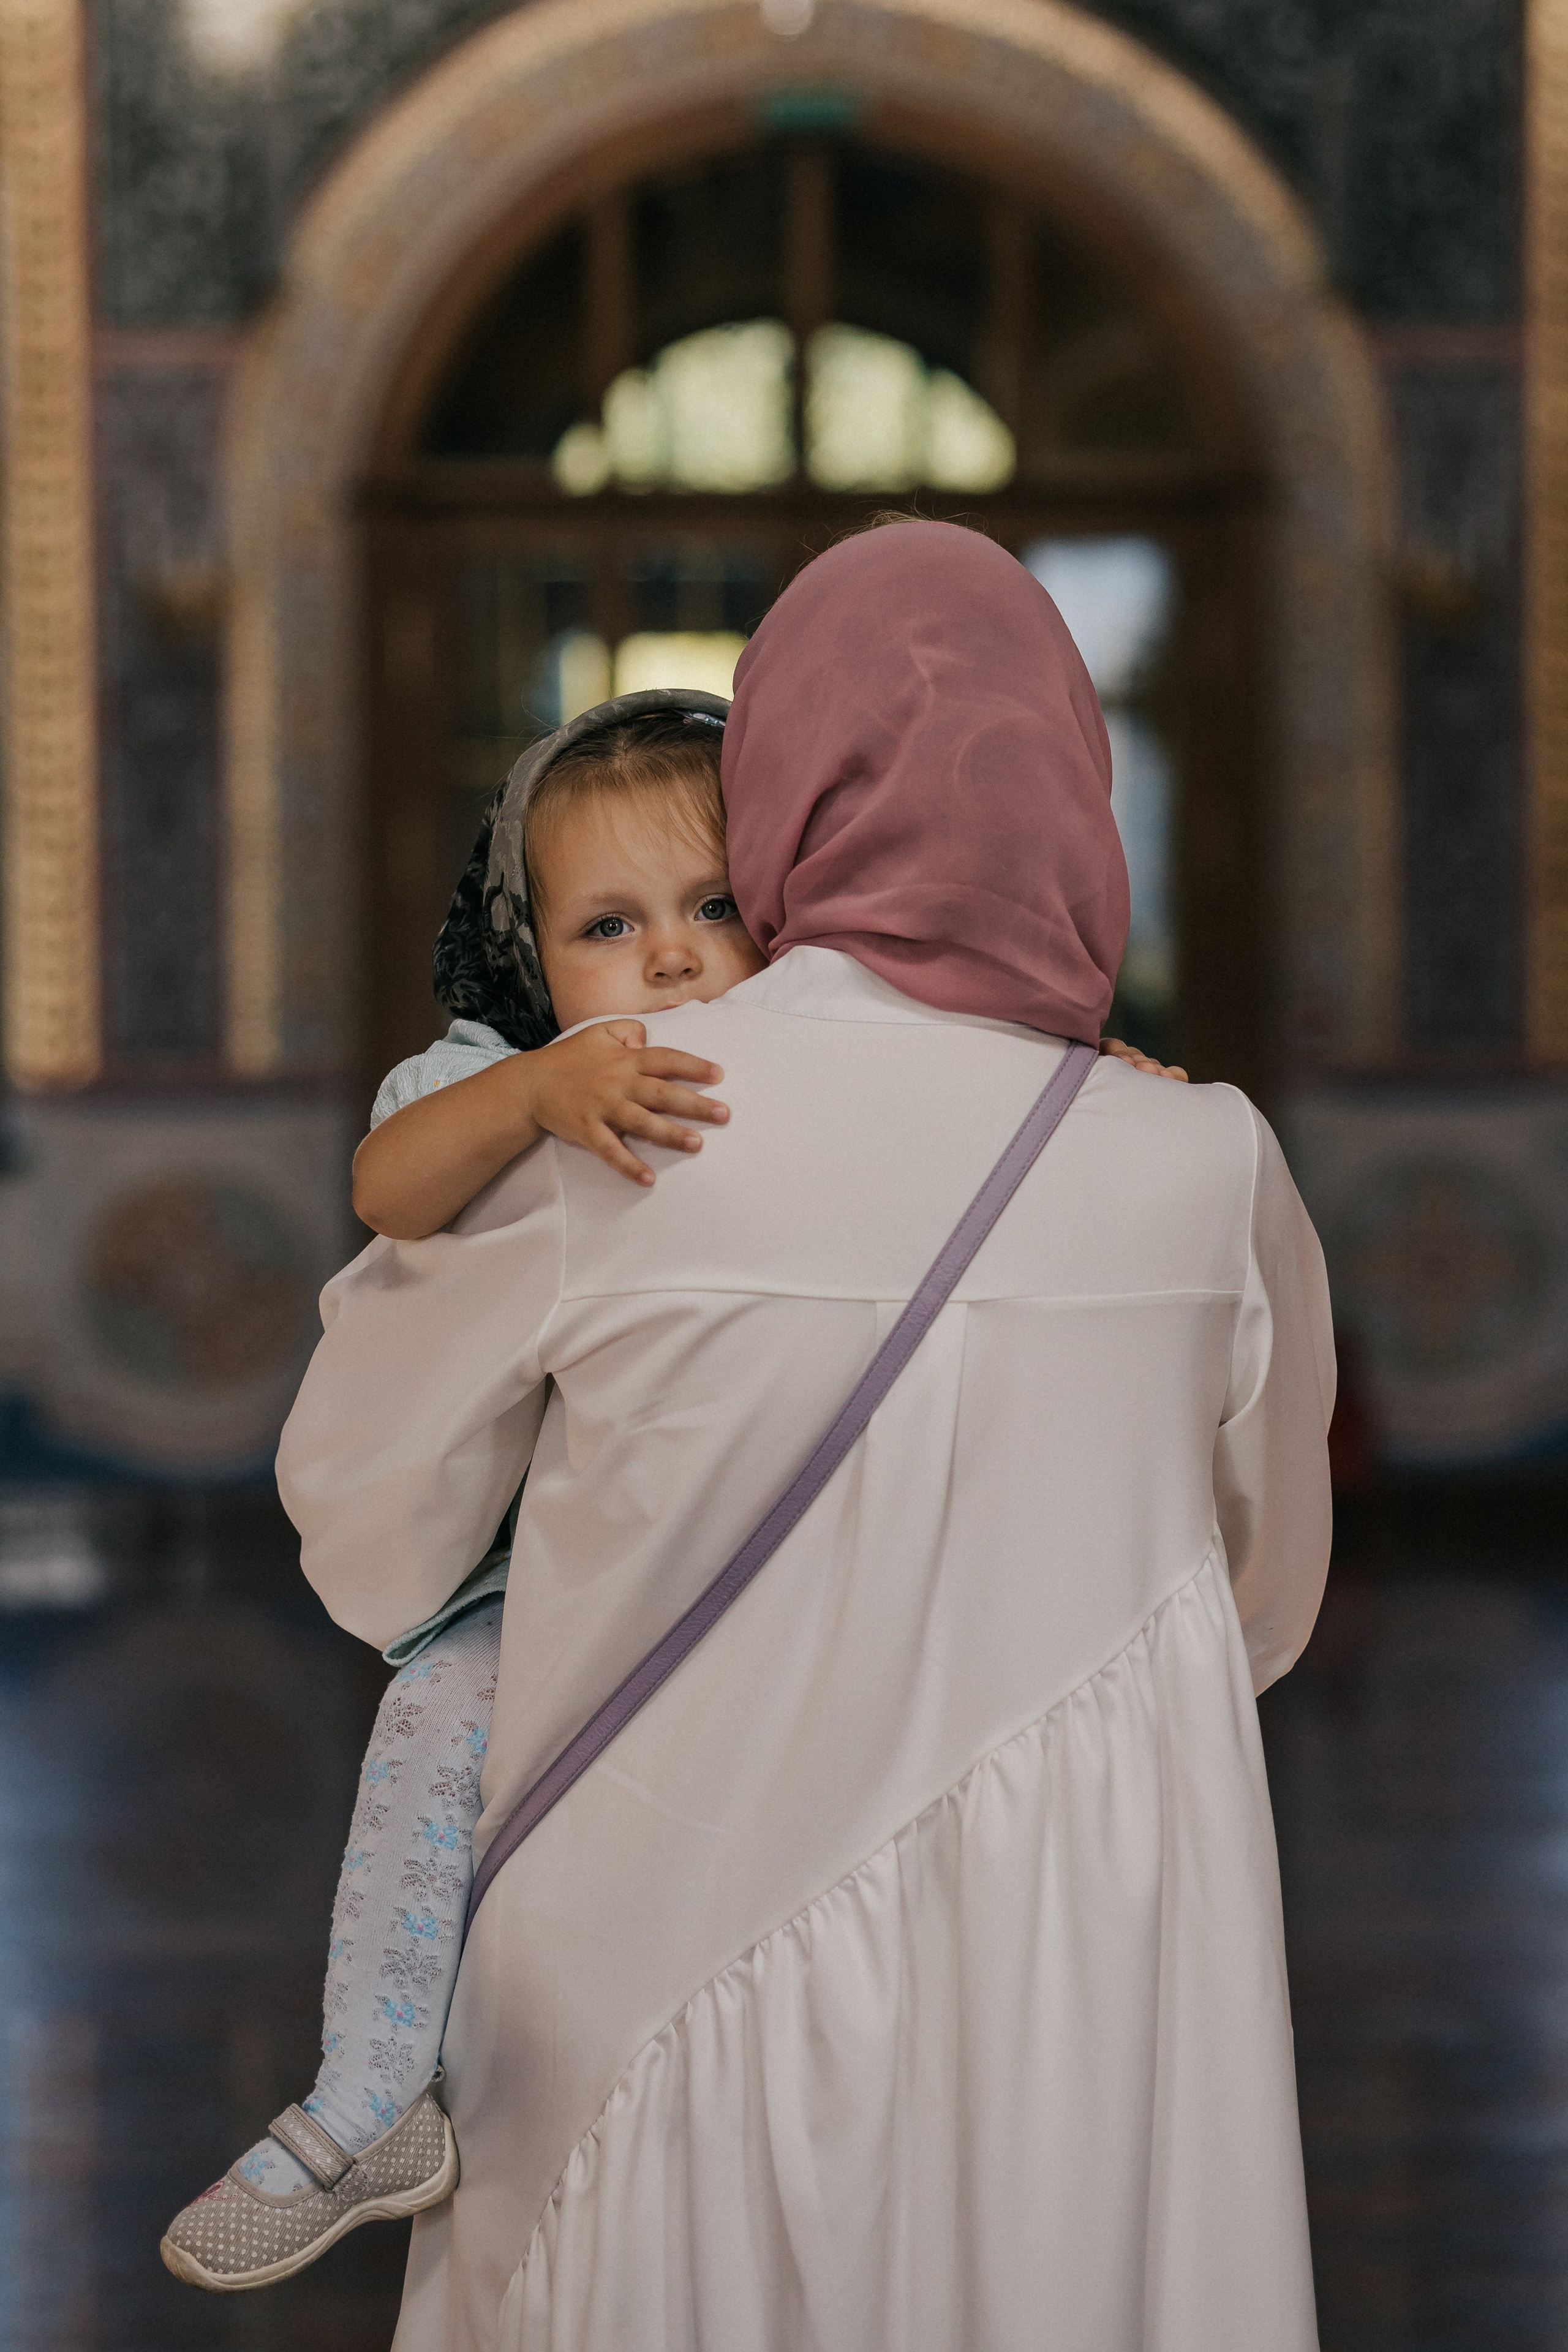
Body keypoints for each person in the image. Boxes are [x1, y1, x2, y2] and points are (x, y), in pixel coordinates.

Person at [203, 519, 1334, 2348]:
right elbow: (1257, 1610)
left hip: (645, 1969)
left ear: (782, 791)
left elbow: (369, 1534)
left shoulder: (610, 1122)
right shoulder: (1204, 1155)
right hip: (1078, 1976)